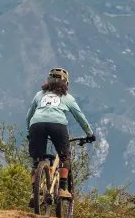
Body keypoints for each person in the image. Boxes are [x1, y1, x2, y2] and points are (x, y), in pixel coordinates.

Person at [25, 67, 96, 198]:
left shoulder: (39, 95)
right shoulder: (68, 98)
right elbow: (80, 117)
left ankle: (35, 193)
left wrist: (29, 131)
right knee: (64, 157)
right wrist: (89, 134)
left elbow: (29, 116)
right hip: (57, 125)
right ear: (66, 83)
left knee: (36, 161)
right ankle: (63, 189)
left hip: (36, 124)